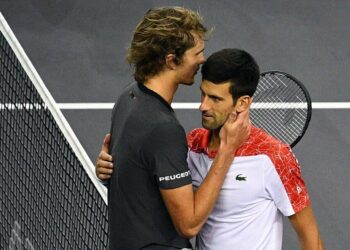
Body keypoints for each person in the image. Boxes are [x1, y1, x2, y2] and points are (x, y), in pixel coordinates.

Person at [97, 48, 324, 249]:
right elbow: (156, 195)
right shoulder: (193, 145)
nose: (203, 106)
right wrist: (110, 170)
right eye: (203, 94)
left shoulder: (273, 158)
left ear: (242, 103)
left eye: (215, 99)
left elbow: (310, 238)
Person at [104, 7, 250, 250]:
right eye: (197, 53)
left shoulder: (128, 97)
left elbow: (132, 170)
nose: (202, 60)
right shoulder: (164, 130)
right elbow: (189, 225)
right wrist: (227, 150)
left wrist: (107, 171)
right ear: (172, 60)